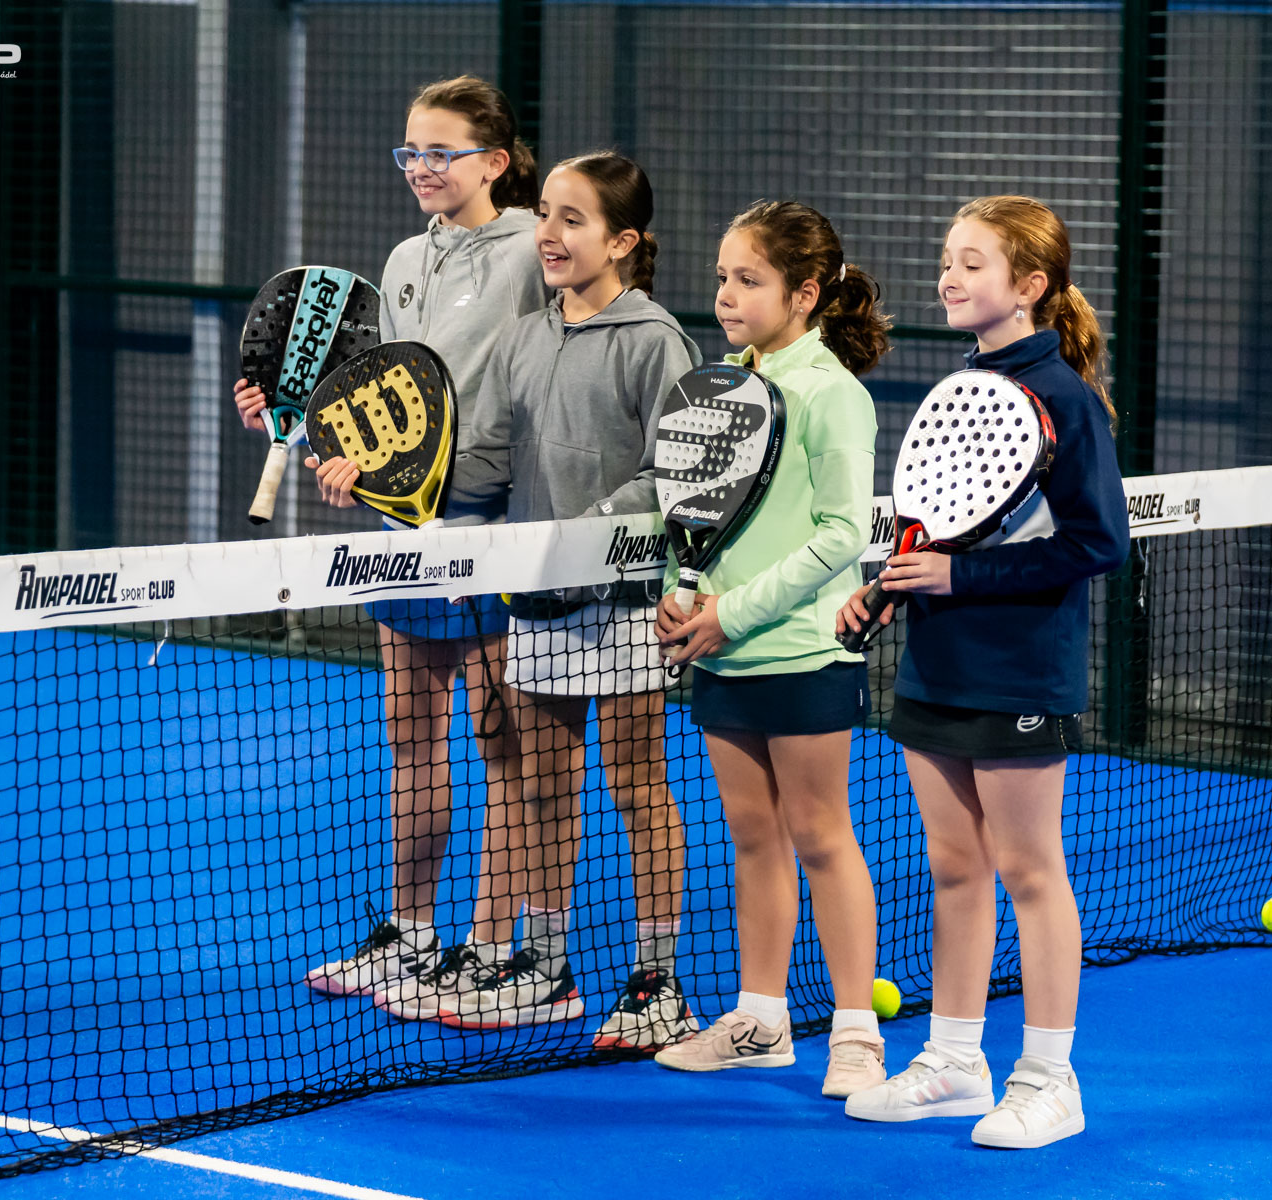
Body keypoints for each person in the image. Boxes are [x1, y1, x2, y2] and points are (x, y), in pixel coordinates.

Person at [235, 76, 546, 1016]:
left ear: (494, 162)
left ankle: (493, 948)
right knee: (411, 739)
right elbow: (384, 396)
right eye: (410, 151)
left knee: (504, 748)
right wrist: (331, 446)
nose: (420, 167)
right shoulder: (407, 258)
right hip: (402, 534)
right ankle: (410, 939)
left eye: (440, 152)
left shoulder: (533, 250)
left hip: (494, 532)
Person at [837, 195, 1128, 1147]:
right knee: (954, 866)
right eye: (947, 261)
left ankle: (1050, 1081)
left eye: (972, 264)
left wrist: (960, 579)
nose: (948, 278)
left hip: (1020, 672)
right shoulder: (964, 387)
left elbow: (1098, 542)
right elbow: (941, 530)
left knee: (1030, 871)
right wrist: (887, 590)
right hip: (937, 664)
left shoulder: (1065, 399)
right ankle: (954, 1062)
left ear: (1029, 285)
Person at [430, 151, 697, 1053]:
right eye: (544, 213)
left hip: (623, 602)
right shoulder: (524, 338)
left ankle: (657, 981)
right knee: (544, 787)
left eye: (572, 219)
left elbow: (676, 471)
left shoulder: (656, 340)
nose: (547, 233)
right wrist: (409, 480)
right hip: (535, 603)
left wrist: (586, 536)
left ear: (622, 241)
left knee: (637, 788)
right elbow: (487, 461)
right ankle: (545, 968)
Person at [650, 201, 889, 1100]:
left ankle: (857, 1034)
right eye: (723, 277)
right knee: (753, 838)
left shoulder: (833, 394)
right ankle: (761, 1021)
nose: (726, 295)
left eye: (748, 279)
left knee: (822, 837)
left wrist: (734, 613)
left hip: (802, 651)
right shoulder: (718, 390)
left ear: (805, 292)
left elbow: (841, 533)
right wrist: (681, 594)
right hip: (722, 653)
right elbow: (691, 513)